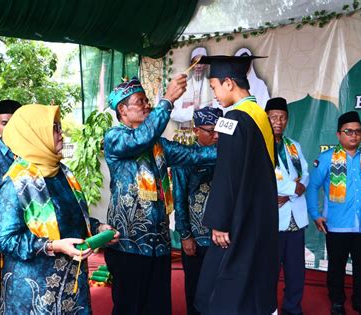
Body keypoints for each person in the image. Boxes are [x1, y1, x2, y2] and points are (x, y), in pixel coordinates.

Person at [103, 75, 217, 315]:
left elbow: (197, 155)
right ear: (122, 109)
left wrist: (234, 144)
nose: (147, 105)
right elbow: (140, 139)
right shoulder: (115, 138)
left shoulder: (160, 146)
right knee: (129, 307)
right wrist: (167, 100)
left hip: (159, 244)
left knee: (158, 307)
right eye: (141, 101)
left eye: (147, 100)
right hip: (128, 245)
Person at [0, 105, 119, 314]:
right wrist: (53, 246)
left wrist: (98, 229)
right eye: (54, 128)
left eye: (59, 127)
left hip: (70, 284)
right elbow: (3, 239)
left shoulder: (62, 173)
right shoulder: (17, 182)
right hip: (35, 291)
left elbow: (72, 218)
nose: (61, 133)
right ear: (35, 135)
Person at [194, 55, 279, 315]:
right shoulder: (261, 116)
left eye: (214, 87)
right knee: (255, 275)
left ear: (229, 83)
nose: (215, 95)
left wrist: (220, 222)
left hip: (239, 219)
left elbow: (227, 173)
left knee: (222, 285)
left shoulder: (231, 119)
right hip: (261, 216)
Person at [306, 111, 361, 315]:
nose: (354, 136)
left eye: (358, 132)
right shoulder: (326, 159)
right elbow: (313, 186)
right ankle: (337, 302)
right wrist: (315, 214)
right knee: (336, 267)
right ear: (338, 134)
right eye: (348, 131)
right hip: (336, 224)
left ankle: (360, 302)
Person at [172, 106, 223, 315]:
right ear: (195, 131)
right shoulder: (185, 158)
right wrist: (185, 235)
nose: (216, 136)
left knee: (221, 291)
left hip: (223, 239)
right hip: (196, 239)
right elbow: (179, 198)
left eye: (220, 130)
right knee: (196, 291)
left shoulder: (228, 156)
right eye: (210, 131)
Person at [266, 97, 309, 315]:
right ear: (266, 118)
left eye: (282, 117)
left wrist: (293, 193)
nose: (278, 121)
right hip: (273, 220)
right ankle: (270, 308)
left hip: (296, 218)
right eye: (273, 117)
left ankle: (293, 308)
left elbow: (306, 173)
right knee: (270, 270)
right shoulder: (261, 144)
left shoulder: (294, 145)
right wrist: (295, 190)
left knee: (296, 271)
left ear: (287, 119)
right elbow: (266, 179)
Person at [171, 47, 216, 124]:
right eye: (195, 62)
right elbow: (174, 114)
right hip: (186, 133)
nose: (198, 66)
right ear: (191, 65)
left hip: (208, 132)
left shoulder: (213, 86)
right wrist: (194, 110)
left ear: (206, 65)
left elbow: (217, 110)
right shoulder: (183, 86)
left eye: (201, 62)